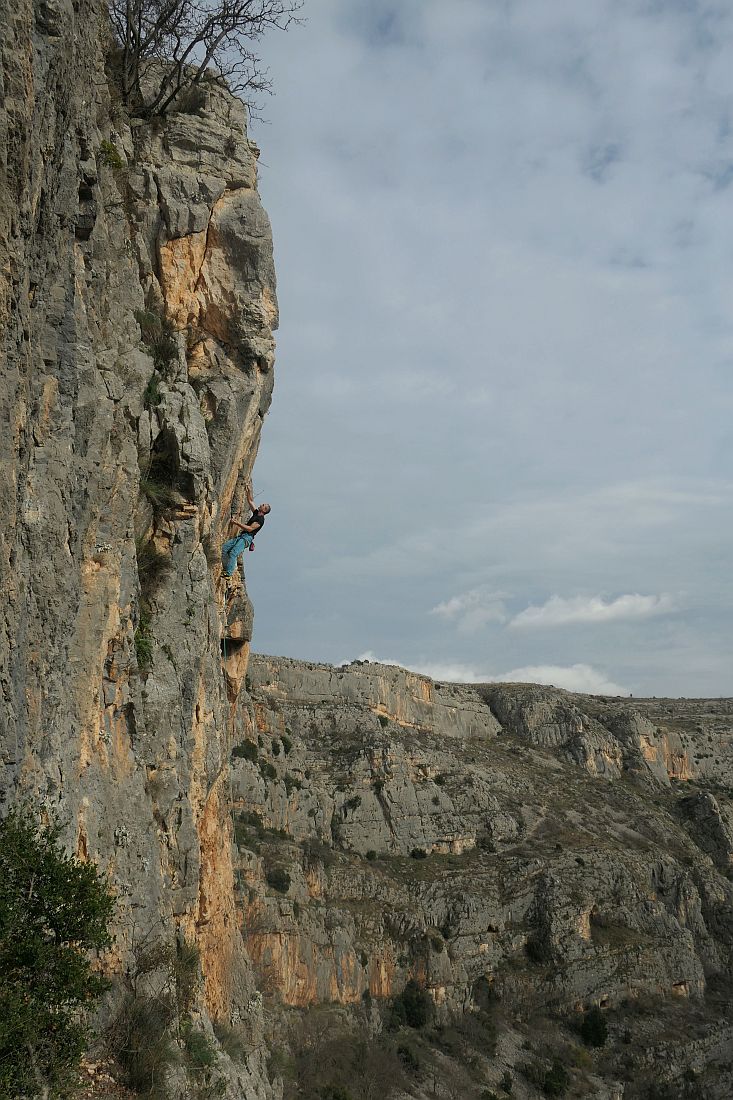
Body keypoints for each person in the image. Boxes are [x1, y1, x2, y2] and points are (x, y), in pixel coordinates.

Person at [221, 483, 271, 579]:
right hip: (241, 537)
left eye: (263, 505)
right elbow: (250, 500)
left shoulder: (260, 520)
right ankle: (227, 567)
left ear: (264, 510)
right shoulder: (256, 513)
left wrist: (236, 523)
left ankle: (229, 573)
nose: (261, 504)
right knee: (225, 548)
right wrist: (248, 490)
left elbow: (250, 529)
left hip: (246, 539)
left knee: (233, 552)